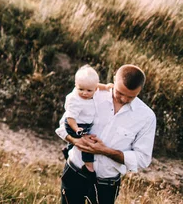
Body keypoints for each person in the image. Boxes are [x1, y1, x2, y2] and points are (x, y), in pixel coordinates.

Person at [56, 64, 156, 204]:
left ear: (140, 91)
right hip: (75, 172)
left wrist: (105, 151)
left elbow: (143, 158)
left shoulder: (146, 117)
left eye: (131, 97)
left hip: (106, 184)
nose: (124, 99)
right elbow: (63, 125)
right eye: (120, 92)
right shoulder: (90, 92)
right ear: (114, 80)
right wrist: (75, 141)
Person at [60, 65, 113, 180]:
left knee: (82, 140)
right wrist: (76, 129)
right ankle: (89, 167)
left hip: (84, 123)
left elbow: (98, 86)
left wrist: (106, 87)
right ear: (76, 85)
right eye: (81, 89)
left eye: (89, 90)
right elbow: (70, 118)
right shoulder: (75, 100)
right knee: (86, 144)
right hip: (74, 125)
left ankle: (68, 149)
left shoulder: (93, 88)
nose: (84, 93)